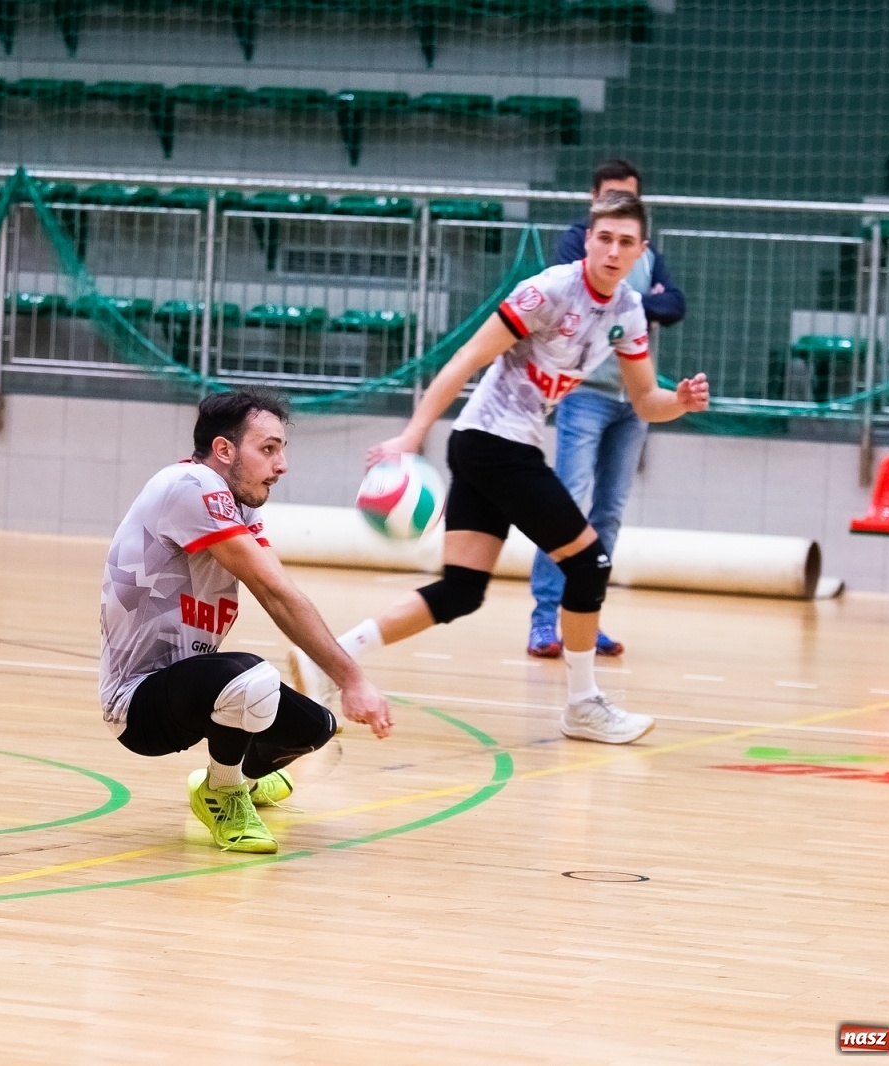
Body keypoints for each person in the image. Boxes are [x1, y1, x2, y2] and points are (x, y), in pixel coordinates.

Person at [290, 192, 708, 745]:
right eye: (604, 238)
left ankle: (327, 661)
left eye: (625, 242)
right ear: (588, 239)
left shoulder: (628, 311)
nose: (612, 250)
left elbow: (646, 400)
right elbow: (468, 357)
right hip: (493, 443)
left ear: (641, 252)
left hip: (497, 447)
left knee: (461, 590)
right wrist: (412, 437)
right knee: (588, 565)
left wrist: (679, 401)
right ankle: (583, 705)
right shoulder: (550, 290)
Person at [99, 388, 391, 854]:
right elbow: (275, 594)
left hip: (190, 691)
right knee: (253, 679)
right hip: (138, 704)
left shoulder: (240, 504)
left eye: (281, 450)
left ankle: (244, 778)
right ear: (223, 450)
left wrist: (345, 678)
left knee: (316, 727)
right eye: (268, 449)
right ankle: (224, 791)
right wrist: (351, 675)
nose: (281, 465)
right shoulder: (191, 487)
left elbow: (280, 591)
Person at [528, 159, 686, 658]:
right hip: (586, 392)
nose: (614, 249)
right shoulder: (578, 241)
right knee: (567, 504)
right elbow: (599, 295)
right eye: (612, 195)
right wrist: (639, 300)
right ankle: (543, 620)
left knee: (610, 513)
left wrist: (630, 298)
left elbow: (675, 304)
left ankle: (585, 616)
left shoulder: (646, 252)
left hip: (634, 398)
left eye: (630, 198)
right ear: (594, 199)